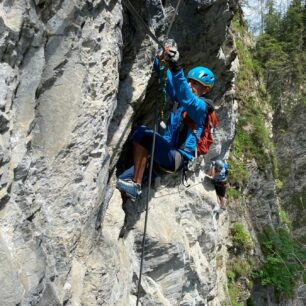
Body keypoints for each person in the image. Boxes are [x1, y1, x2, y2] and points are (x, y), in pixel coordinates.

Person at [116, 40, 215, 201]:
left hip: (176, 157)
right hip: (163, 156)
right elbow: (165, 76)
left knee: (142, 133)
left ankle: (135, 185)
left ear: (205, 90)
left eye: (196, 84)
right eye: (190, 81)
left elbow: (187, 98)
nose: (191, 85)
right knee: (121, 181)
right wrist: (160, 59)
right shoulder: (180, 99)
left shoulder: (201, 109)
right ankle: (132, 190)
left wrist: (176, 67)